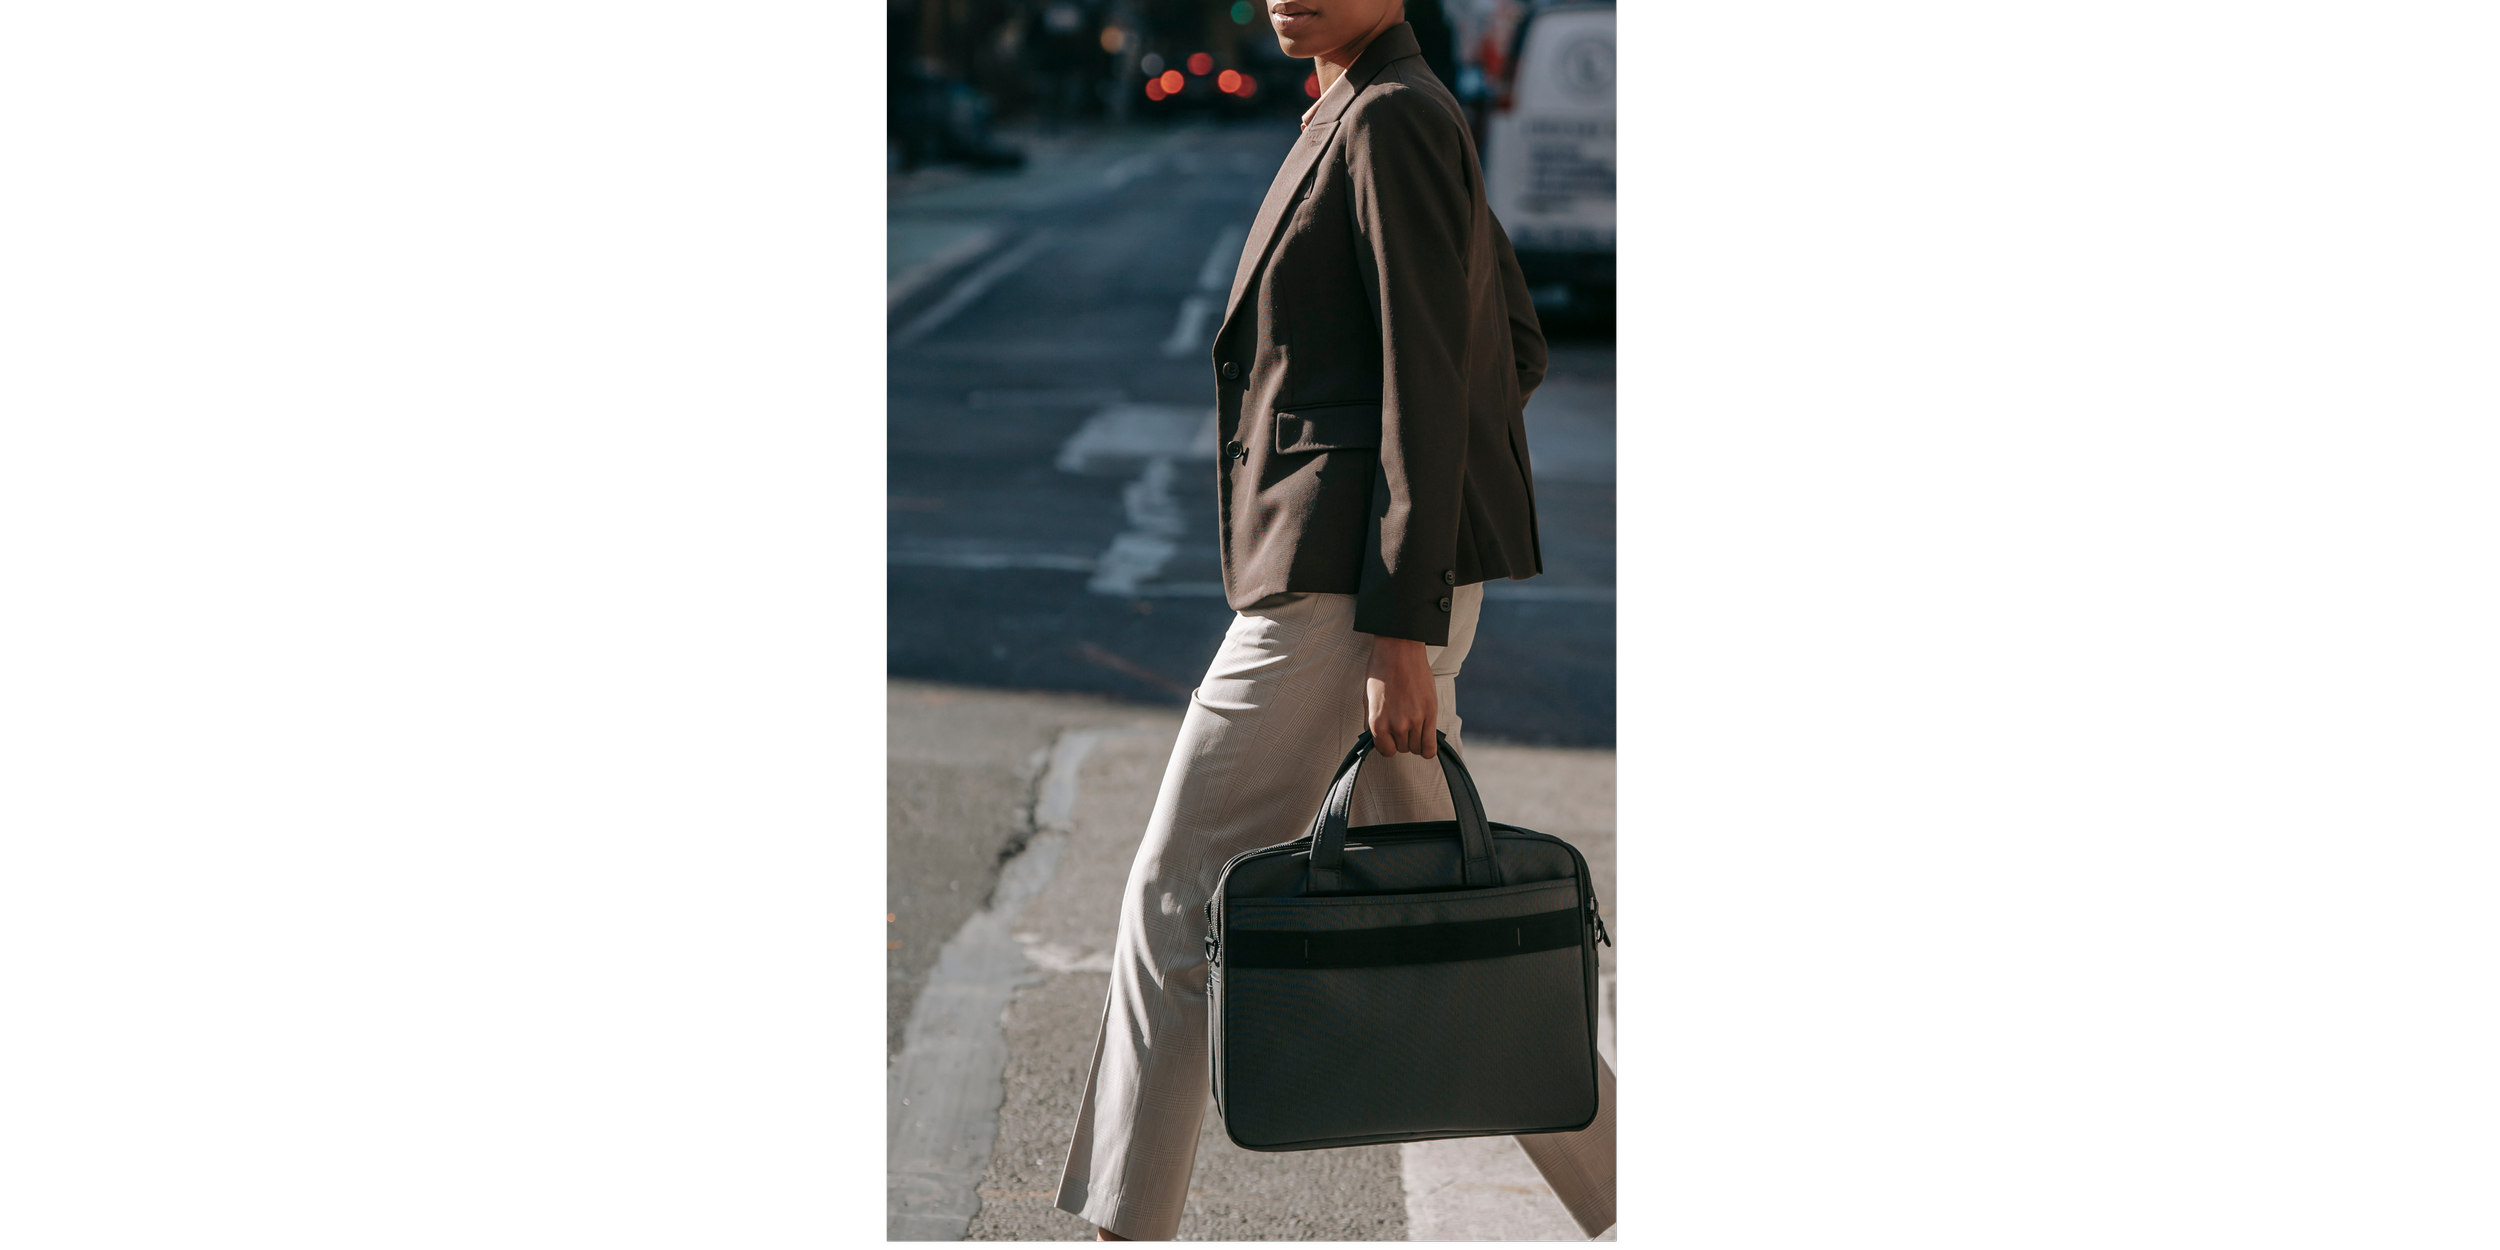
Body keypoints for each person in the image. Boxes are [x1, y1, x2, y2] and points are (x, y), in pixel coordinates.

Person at [1054, 1, 1617, 1240]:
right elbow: (1511, 347)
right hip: (1365, 585)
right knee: (1451, 914)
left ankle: (1119, 1223)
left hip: (1343, 595)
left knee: (1175, 895)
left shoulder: (1394, 119)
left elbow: (1437, 376)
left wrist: (1400, 622)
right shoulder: (1366, 107)